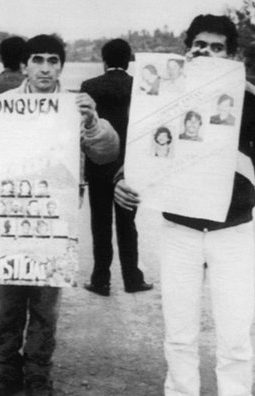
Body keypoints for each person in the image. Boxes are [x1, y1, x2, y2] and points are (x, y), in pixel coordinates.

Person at [115, 15, 255, 396]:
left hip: (231, 229)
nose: (207, 52)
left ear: (231, 55)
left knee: (234, 334)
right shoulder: (168, 94)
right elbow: (143, 148)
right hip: (181, 228)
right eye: (200, 45)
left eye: (218, 48)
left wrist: (227, 78)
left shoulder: (248, 99)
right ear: (188, 49)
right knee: (179, 331)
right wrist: (122, 180)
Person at [0, 34, 119, 396]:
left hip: (56, 221)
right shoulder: (3, 104)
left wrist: (92, 124)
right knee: (8, 298)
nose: (45, 67)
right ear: (24, 65)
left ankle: (38, 373)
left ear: (61, 66)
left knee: (45, 303)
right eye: (38, 60)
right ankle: (5, 368)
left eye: (53, 60)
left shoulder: (75, 106)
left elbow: (107, 152)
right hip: (11, 217)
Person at [80, 38, 152, 297]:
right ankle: (133, 279)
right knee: (127, 224)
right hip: (129, 167)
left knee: (100, 223)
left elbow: (84, 125)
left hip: (99, 164)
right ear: (128, 60)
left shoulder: (89, 87)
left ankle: (101, 280)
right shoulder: (139, 86)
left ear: (104, 60)